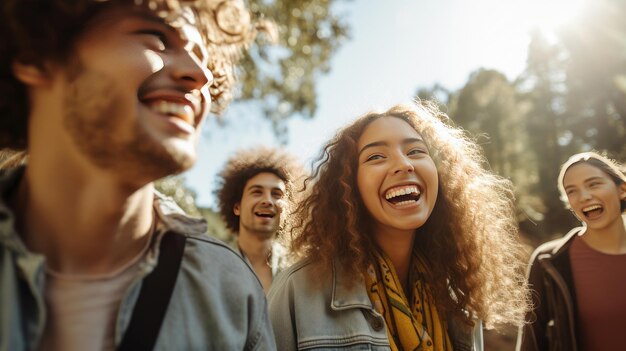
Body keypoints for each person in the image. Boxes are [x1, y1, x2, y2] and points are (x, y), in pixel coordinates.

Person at [0, 0, 276, 350]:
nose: (200, 74)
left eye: (204, 59)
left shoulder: (231, 291)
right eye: (155, 38)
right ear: (35, 53)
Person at [268, 101, 530, 351]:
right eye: (376, 157)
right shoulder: (298, 290)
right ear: (348, 184)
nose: (404, 164)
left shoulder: (458, 301)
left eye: (416, 151)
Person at [517, 152, 626, 351]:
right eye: (572, 191)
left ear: (622, 189)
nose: (584, 196)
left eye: (594, 184)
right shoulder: (548, 262)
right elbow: (531, 342)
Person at [215, 146, 303, 293]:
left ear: (286, 210)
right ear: (237, 207)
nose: (267, 201)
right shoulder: (213, 263)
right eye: (257, 192)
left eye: (276, 194)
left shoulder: (299, 270)